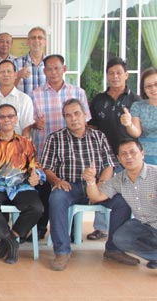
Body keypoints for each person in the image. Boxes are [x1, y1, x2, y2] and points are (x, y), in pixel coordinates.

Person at [40, 98, 136, 271]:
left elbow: (109, 165)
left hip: (98, 184)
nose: (73, 118)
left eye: (77, 114)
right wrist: (57, 181)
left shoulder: (99, 136)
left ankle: (114, 249)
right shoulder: (55, 138)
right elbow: (46, 168)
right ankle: (62, 251)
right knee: (56, 197)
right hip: (70, 186)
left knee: (123, 201)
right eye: (68, 115)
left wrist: (100, 185)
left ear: (85, 115)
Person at [0, 104, 44, 264]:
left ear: (16, 119)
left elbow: (35, 166)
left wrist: (37, 177)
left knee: (36, 208)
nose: (6, 120)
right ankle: (11, 243)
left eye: (10, 116)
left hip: (21, 185)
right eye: (2, 117)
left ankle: (11, 238)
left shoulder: (26, 142)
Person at [32, 54, 90, 239]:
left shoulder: (78, 92)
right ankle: (41, 227)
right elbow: (28, 123)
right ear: (44, 71)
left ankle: (71, 231)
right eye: (49, 68)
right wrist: (35, 125)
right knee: (44, 190)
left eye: (57, 68)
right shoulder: (35, 93)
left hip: (71, 153)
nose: (53, 72)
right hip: (44, 149)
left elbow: (85, 121)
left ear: (64, 69)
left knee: (68, 189)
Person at [88, 57, 139, 241]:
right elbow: (92, 126)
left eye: (119, 73)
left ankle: (129, 229)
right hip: (104, 155)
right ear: (107, 76)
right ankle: (100, 228)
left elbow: (138, 129)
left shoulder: (135, 100)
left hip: (129, 156)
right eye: (111, 73)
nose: (115, 76)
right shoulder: (99, 100)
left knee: (130, 193)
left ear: (126, 75)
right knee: (104, 187)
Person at [84, 139, 157, 269]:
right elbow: (96, 196)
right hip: (143, 224)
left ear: (142, 154)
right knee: (120, 238)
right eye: (123, 154)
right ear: (118, 158)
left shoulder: (155, 174)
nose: (128, 157)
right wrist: (90, 181)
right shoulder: (119, 179)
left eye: (133, 152)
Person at [0, 60, 35, 137]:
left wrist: (23, 147)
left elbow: (26, 128)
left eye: (9, 71)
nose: (6, 74)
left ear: (15, 75)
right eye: (2, 72)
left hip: (16, 146)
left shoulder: (24, 99)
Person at [122, 67, 157, 165]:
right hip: (144, 157)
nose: (153, 88)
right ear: (143, 89)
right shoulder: (138, 106)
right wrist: (129, 124)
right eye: (148, 86)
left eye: (156, 84)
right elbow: (136, 132)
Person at [13, 27, 47, 98]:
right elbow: (10, 90)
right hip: (23, 107)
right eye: (33, 38)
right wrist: (18, 76)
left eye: (40, 38)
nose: (36, 40)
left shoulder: (50, 64)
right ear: (28, 41)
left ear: (45, 42)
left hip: (44, 106)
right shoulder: (16, 63)